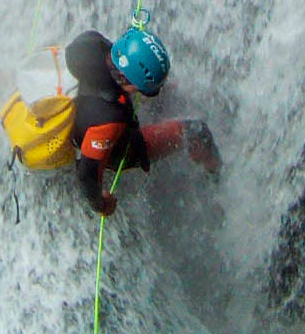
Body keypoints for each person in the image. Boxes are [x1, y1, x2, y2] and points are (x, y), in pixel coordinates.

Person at [61, 27, 220, 216]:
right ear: (129, 81)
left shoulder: (91, 42)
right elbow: (87, 173)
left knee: (162, 91)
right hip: (116, 144)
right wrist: (101, 204)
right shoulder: (110, 119)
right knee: (198, 132)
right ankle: (216, 178)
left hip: (84, 100)